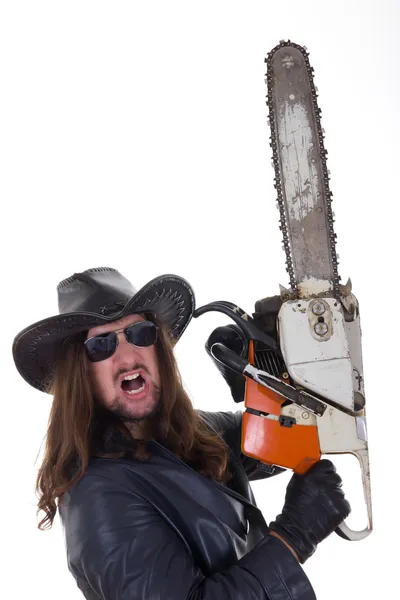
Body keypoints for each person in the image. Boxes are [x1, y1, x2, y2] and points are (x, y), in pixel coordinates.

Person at [12, 266, 351, 600]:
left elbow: (271, 442)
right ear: (80, 374)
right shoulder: (97, 495)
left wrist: (275, 372)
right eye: (101, 345)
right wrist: (294, 537)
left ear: (157, 346)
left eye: (139, 333)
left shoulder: (190, 433)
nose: (128, 357)